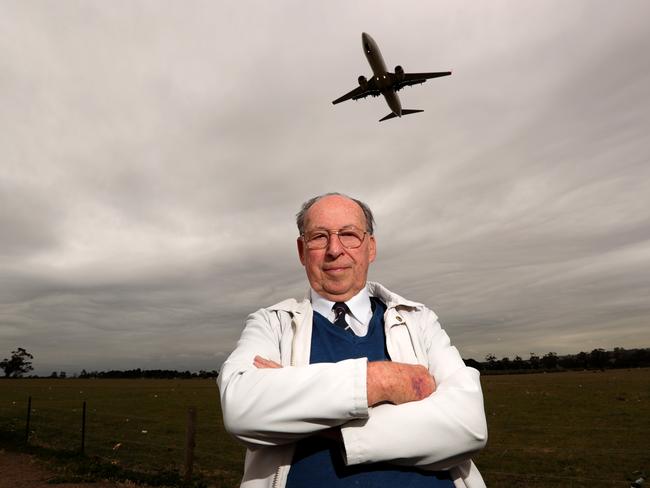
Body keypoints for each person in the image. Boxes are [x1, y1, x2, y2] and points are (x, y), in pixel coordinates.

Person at [218, 193, 488, 488]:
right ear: (301, 250)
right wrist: (383, 380)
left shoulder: (418, 319)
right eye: (319, 237)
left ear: (370, 247)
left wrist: (315, 418)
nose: (335, 249)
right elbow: (241, 409)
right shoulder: (272, 323)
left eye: (349, 235)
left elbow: (469, 426)